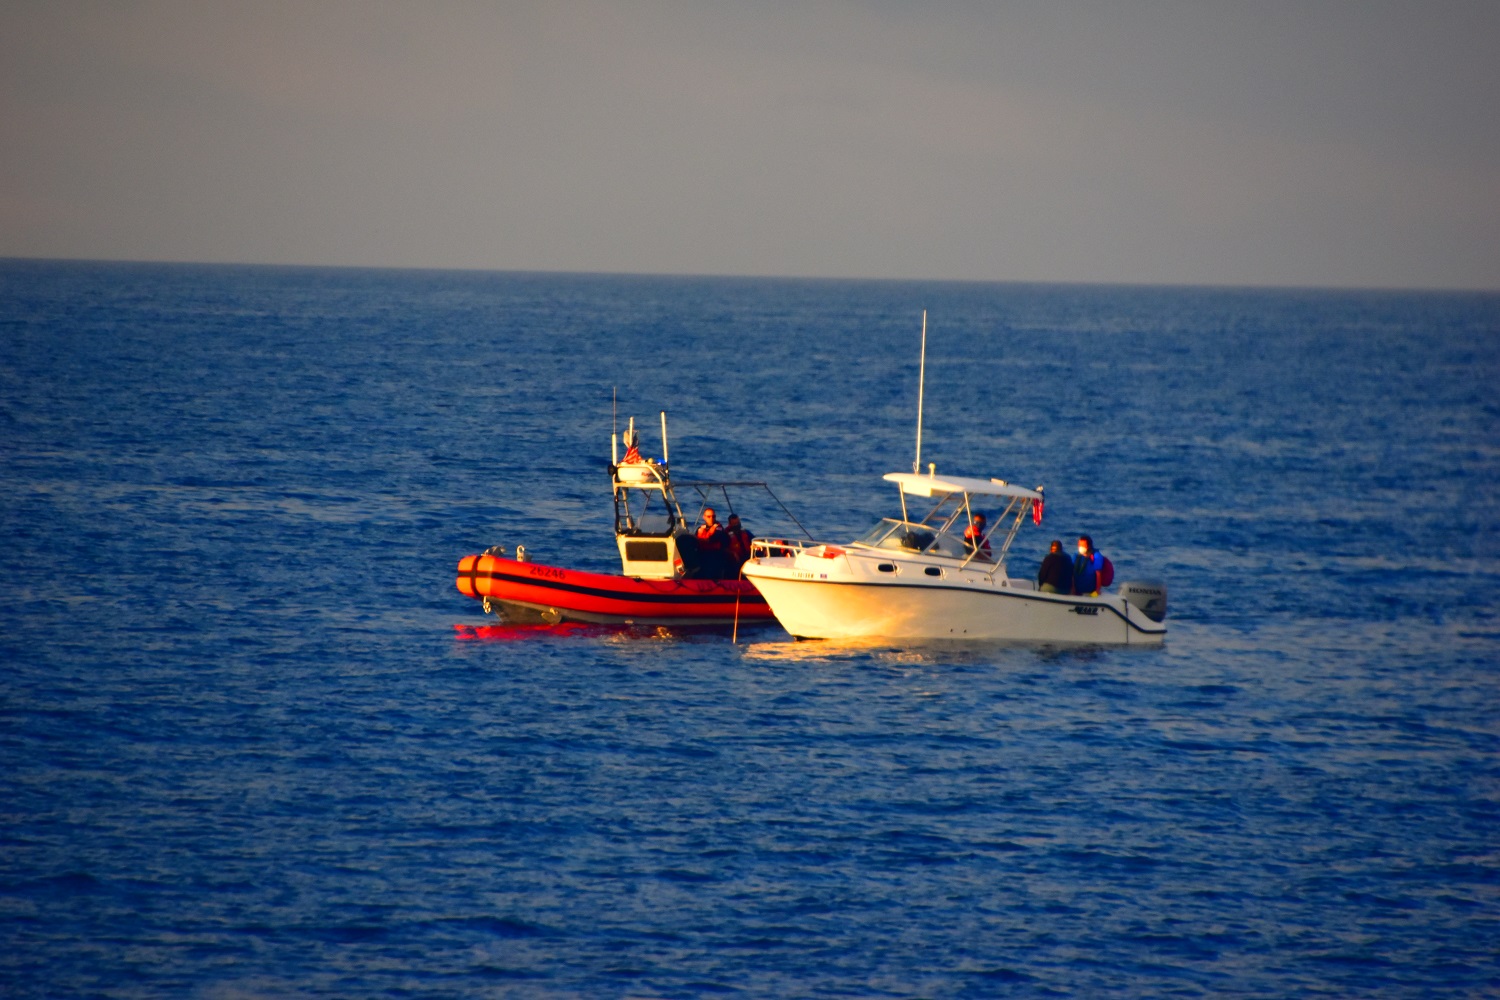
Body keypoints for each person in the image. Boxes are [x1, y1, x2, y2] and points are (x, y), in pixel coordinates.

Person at [696, 507, 729, 578]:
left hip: (715, 556)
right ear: (704, 517)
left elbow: (712, 539)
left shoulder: (719, 528)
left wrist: (699, 540)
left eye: (713, 516)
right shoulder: (700, 528)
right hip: (702, 555)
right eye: (709, 516)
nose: (711, 518)